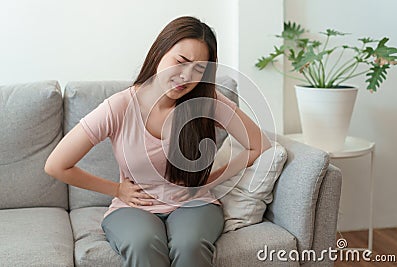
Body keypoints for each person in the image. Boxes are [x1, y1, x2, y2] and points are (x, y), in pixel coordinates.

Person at [45, 16, 271, 267]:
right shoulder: (119, 107)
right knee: (142, 244)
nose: (186, 76)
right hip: (134, 208)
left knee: (190, 245)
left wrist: (211, 179)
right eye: (181, 62)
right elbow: (56, 165)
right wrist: (116, 189)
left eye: (198, 69)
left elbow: (258, 144)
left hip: (194, 203)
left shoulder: (207, 102)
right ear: (159, 51)